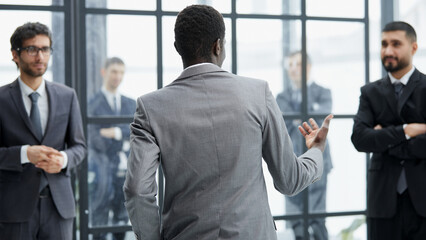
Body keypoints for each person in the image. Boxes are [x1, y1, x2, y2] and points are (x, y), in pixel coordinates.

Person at [123, 5, 333, 240]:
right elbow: (290, 180)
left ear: (177, 48)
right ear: (218, 45)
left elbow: (137, 191)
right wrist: (315, 151)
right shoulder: (257, 93)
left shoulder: (150, 107)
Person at [0, 22, 86, 239]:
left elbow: (80, 147)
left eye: (45, 49)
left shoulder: (67, 96)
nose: (40, 56)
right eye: (32, 49)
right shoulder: (1, 99)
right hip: (14, 210)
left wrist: (64, 160)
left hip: (59, 208)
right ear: (15, 55)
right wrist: (24, 153)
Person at [351, 21, 426, 240]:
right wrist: (407, 130)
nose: (388, 51)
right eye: (384, 44)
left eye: (396, 44)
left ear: (413, 48)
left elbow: (372, 138)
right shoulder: (369, 92)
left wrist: (383, 139)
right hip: (382, 200)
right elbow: (360, 139)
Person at [276, 51, 332, 240]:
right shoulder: (281, 96)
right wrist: (310, 111)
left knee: (318, 220)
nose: (293, 69)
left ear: (308, 67)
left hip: (319, 159)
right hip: (292, 161)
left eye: (298, 64)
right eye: (290, 65)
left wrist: (302, 114)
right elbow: (295, 118)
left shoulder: (323, 92)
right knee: (296, 222)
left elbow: (318, 118)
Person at [88, 57, 135, 240]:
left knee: (121, 224)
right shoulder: (92, 104)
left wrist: (114, 132)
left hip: (124, 175)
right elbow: (94, 140)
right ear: (104, 72)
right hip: (102, 173)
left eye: (121, 72)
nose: (118, 76)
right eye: (114, 71)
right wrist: (124, 137)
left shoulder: (131, 104)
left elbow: (137, 134)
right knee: (99, 224)